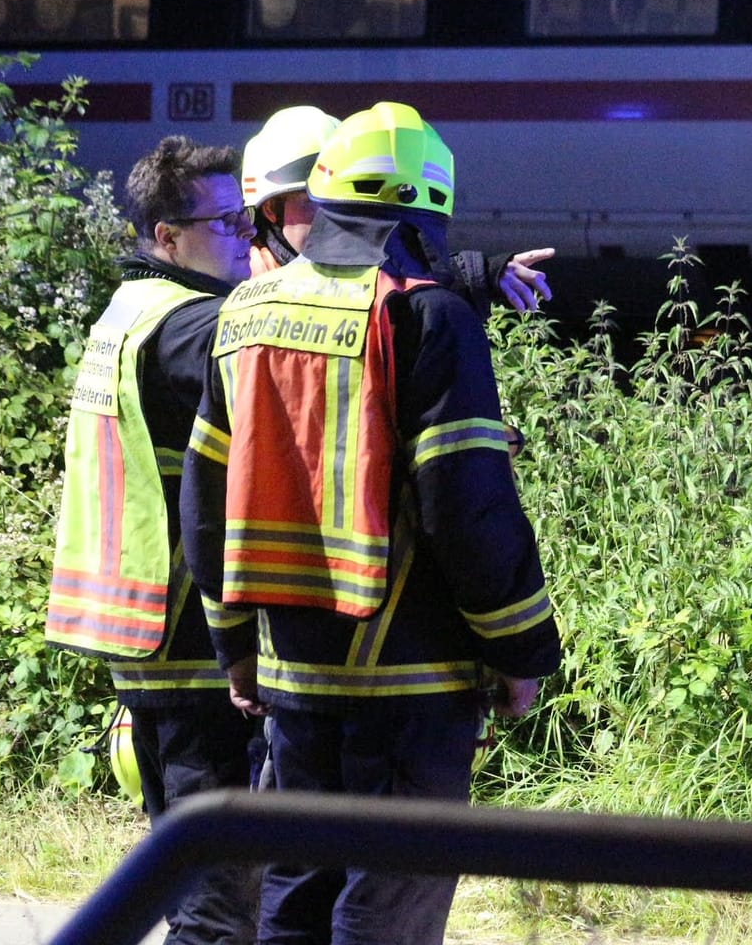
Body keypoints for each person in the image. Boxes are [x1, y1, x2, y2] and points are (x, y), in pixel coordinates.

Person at [182, 102, 563, 945]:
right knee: (389, 904)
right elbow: (468, 511)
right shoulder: (427, 316)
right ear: (425, 214)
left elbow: (205, 509)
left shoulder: (243, 314)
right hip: (411, 681)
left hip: (290, 679)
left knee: (297, 896)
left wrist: (234, 648)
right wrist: (521, 649)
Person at [45, 136, 266, 945]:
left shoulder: (132, 310)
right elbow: (298, 341)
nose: (248, 238)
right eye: (227, 224)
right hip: (187, 636)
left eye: (248, 219)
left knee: (190, 869)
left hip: (143, 632)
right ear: (167, 237)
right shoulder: (188, 329)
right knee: (217, 903)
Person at [240, 103, 556, 311]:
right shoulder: (243, 280)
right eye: (314, 203)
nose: (334, 218)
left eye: (341, 202)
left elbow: (398, 274)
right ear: (271, 211)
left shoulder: (336, 264)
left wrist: (485, 274)